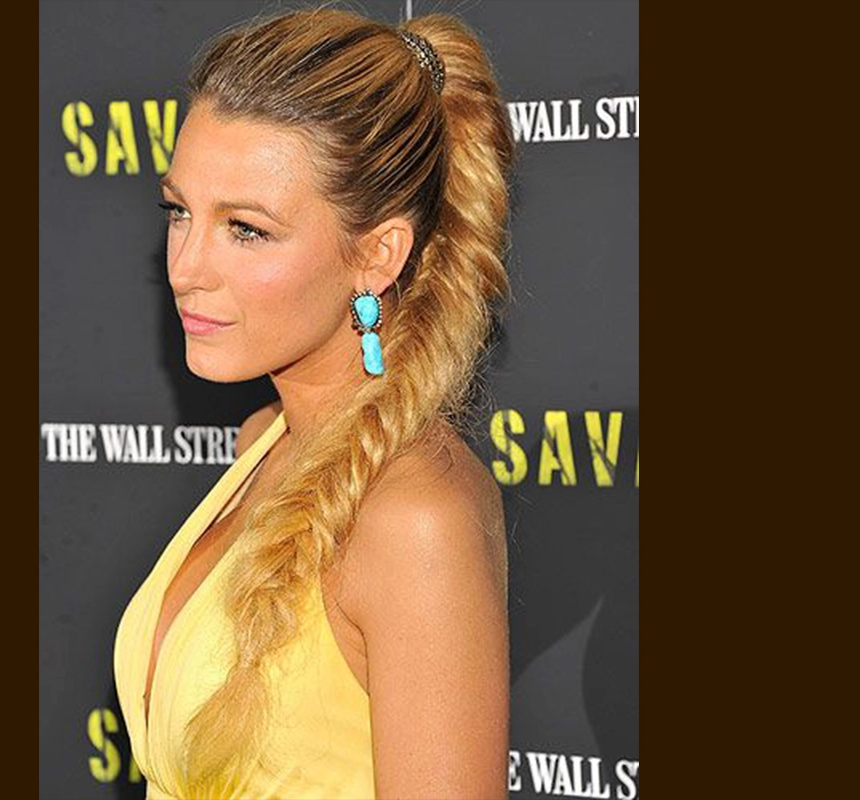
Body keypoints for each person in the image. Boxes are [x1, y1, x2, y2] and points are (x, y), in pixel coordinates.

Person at [114, 5, 516, 798]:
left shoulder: (414, 519)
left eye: (246, 229)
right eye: (179, 212)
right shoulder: (264, 442)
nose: (186, 268)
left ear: (377, 255)